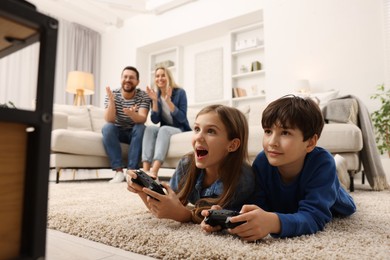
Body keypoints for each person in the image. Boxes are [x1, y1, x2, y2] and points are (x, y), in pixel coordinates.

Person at [201, 95, 356, 240]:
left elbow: (315, 217)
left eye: (285, 133)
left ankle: (338, 169)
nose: (272, 142)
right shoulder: (262, 161)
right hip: (291, 202)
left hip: (334, 196)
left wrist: (274, 223)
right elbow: (258, 205)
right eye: (268, 131)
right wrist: (228, 214)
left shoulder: (322, 163)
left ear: (310, 143)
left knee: (336, 183)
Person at [127, 104, 256, 223]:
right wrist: (142, 190)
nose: (199, 137)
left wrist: (185, 216)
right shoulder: (187, 164)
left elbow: (223, 220)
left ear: (232, 145)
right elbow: (167, 206)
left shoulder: (242, 180)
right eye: (197, 129)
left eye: (210, 131)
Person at [102, 66, 151, 183]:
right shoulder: (112, 94)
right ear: (121, 79)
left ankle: (132, 171)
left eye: (132, 77)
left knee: (140, 128)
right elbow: (109, 119)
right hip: (118, 132)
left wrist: (131, 114)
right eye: (125, 77)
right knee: (107, 128)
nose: (128, 79)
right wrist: (112, 102)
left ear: (137, 82)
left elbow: (142, 118)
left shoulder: (143, 95)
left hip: (134, 132)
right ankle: (118, 171)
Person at [142, 67, 191, 179]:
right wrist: (154, 101)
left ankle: (154, 172)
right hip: (165, 129)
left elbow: (182, 118)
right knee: (149, 129)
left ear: (168, 77)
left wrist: (169, 102)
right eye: (157, 76)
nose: (160, 78)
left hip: (180, 129)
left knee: (163, 129)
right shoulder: (156, 95)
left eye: (163, 75)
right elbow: (155, 120)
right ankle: (144, 172)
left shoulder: (180, 93)